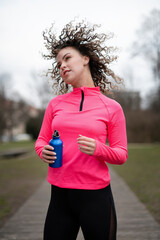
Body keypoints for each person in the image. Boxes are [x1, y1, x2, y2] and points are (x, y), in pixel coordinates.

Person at [35, 20, 128, 240]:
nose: (62, 66)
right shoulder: (55, 104)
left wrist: (99, 149)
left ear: (85, 59)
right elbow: (41, 140)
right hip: (59, 197)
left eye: (67, 58)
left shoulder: (111, 107)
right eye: (58, 64)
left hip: (96, 198)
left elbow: (121, 154)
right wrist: (42, 151)